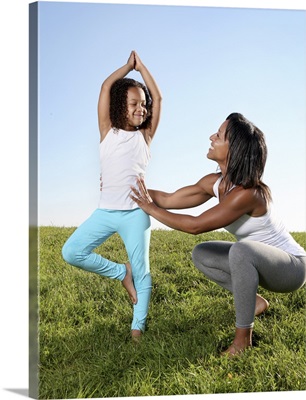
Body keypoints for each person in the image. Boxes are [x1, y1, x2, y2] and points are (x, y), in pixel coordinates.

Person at [130, 112, 306, 355]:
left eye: (219, 135)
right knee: (203, 253)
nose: (212, 137)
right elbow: (168, 199)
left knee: (241, 251)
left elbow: (195, 225)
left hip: (291, 269)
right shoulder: (216, 182)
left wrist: (150, 209)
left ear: (234, 148)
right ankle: (254, 302)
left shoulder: (248, 193)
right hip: (259, 261)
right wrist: (126, 189)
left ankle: (242, 342)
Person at [62, 51, 162, 339]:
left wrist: (143, 69)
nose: (141, 108)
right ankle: (121, 273)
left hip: (135, 215)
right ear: (121, 105)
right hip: (105, 212)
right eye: (133, 103)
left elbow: (160, 98)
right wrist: (128, 67)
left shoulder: (146, 136)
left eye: (143, 104)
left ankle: (137, 329)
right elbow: (106, 87)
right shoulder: (107, 132)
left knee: (143, 272)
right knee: (71, 251)